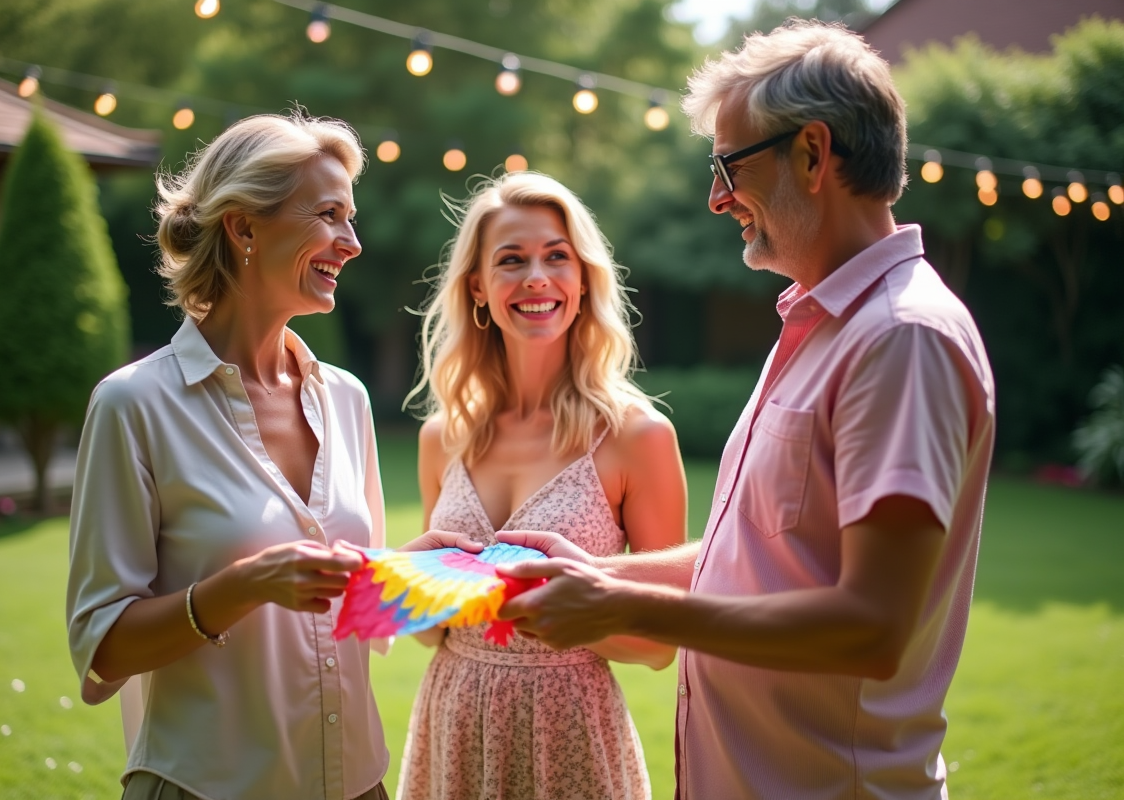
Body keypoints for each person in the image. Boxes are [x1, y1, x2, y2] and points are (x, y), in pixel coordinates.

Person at [497, 21, 997, 800]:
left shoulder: (901, 338)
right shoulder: (820, 325)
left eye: (728, 165)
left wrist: (628, 609)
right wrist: (592, 571)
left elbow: (872, 625)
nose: (716, 197)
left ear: (811, 154)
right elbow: (757, 561)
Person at [66, 112, 451, 800]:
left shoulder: (347, 399)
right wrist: (242, 587)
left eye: (351, 217)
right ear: (244, 227)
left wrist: (429, 570)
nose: (353, 242)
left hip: (359, 785)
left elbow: (345, 605)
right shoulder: (134, 404)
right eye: (331, 214)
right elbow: (103, 645)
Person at [397, 171, 687, 800]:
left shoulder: (636, 437)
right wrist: (414, 593)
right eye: (511, 260)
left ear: (583, 281)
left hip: (571, 736)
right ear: (478, 287)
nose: (536, 277)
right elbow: (430, 631)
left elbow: (660, 645)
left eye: (557, 257)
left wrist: (570, 622)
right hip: (452, 730)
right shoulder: (442, 436)